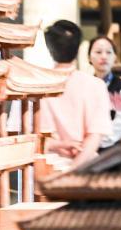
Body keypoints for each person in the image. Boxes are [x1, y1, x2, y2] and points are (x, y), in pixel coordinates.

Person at [38, 20, 112, 170]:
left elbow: (22, 137)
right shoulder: (96, 85)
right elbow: (95, 136)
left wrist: (57, 145)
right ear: (78, 49)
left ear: (49, 48)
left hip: (46, 168)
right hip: (86, 169)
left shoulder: (33, 85)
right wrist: (74, 169)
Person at [88, 36, 121, 149]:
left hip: (113, 148)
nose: (104, 56)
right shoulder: (84, 86)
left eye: (109, 52)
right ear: (89, 57)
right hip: (85, 145)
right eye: (98, 52)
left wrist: (94, 143)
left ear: (115, 57)